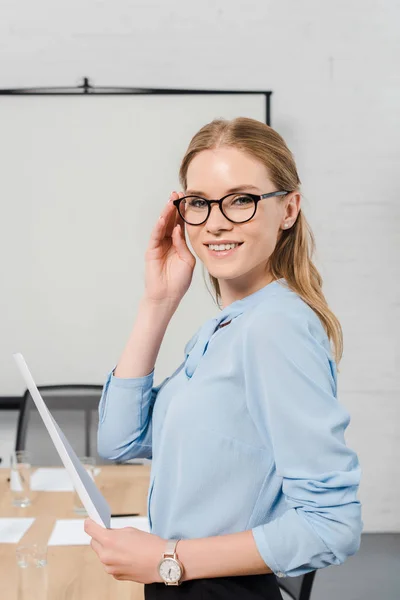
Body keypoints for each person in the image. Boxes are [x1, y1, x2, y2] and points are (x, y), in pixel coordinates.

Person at [84, 117, 363, 599]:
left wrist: (168, 557)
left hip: (215, 590)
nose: (215, 222)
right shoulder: (227, 325)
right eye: (198, 203)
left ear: (289, 209)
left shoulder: (276, 327)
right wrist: (157, 303)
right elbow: (118, 441)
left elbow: (332, 525)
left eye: (241, 199)